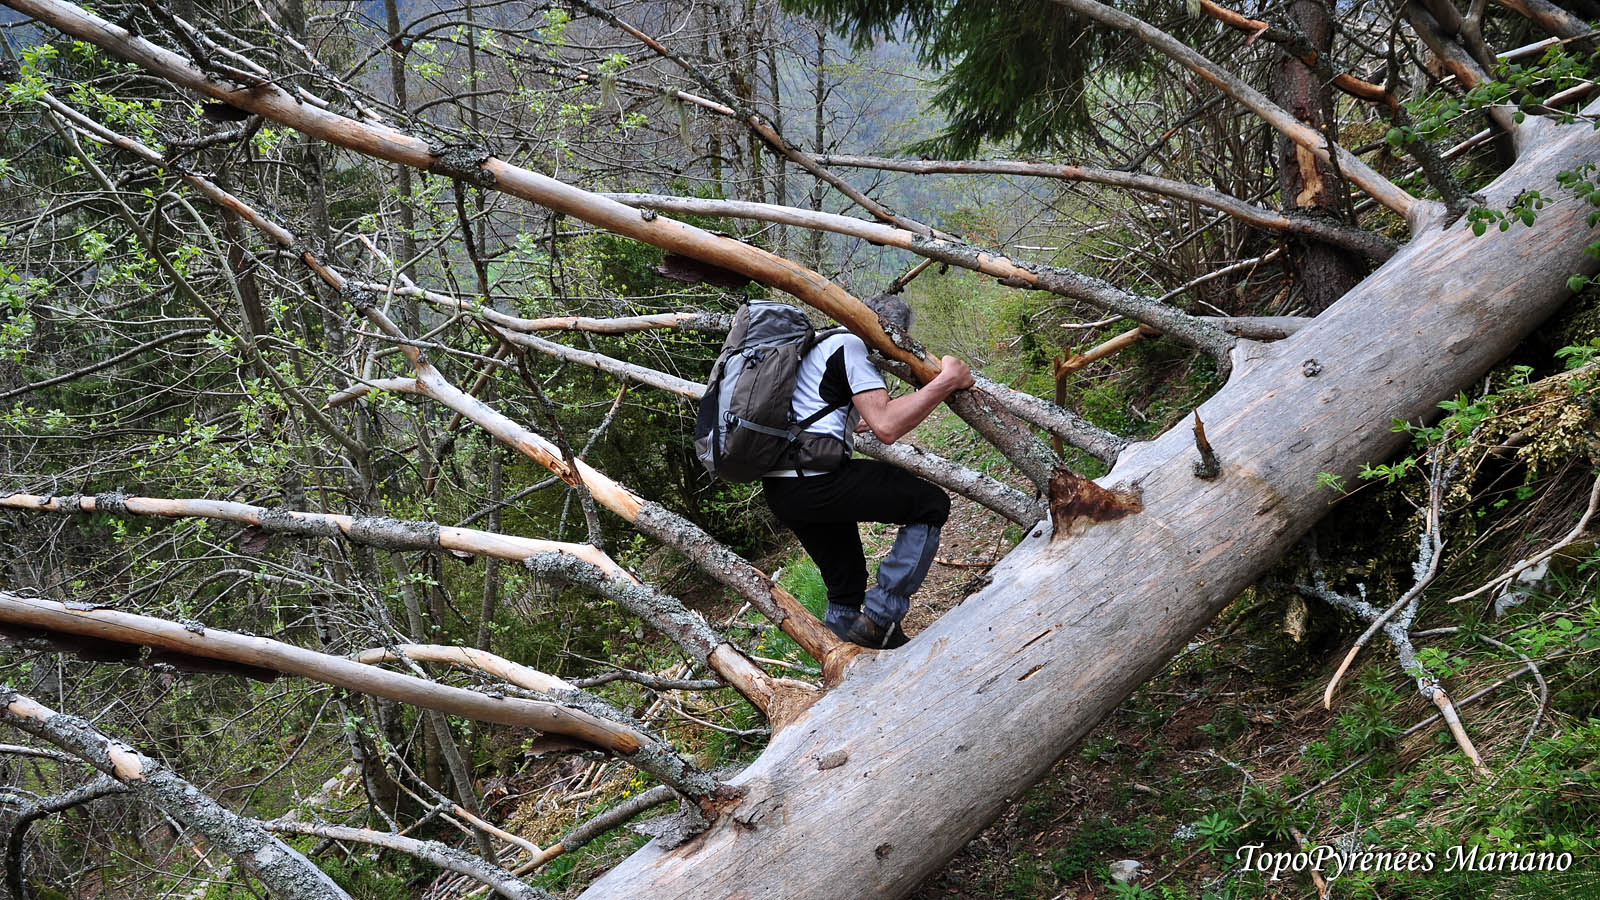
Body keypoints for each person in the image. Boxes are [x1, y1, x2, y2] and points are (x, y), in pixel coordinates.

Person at [762, 294, 975, 649]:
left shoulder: (819, 344)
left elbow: (825, 408)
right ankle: (880, 618)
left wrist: (855, 418)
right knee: (929, 504)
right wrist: (948, 380)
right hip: (817, 481)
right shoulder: (853, 345)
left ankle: (848, 654)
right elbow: (887, 426)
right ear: (888, 334)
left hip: (782, 490)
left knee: (846, 581)